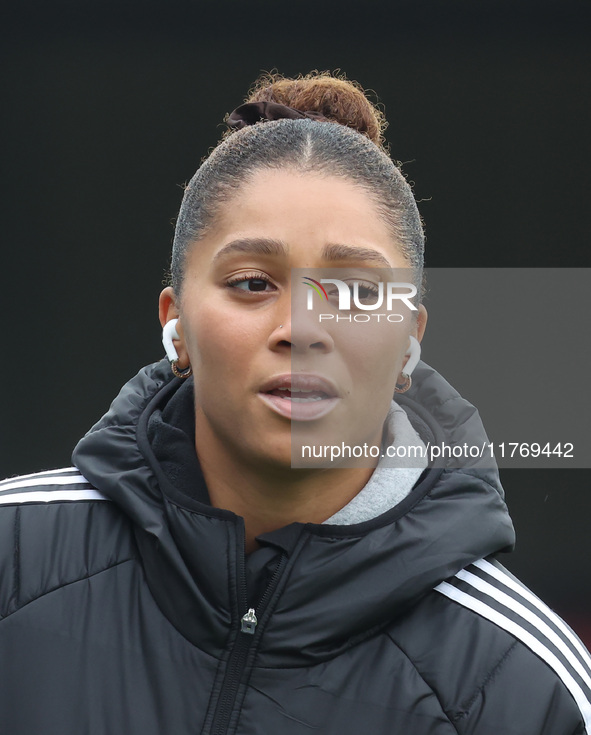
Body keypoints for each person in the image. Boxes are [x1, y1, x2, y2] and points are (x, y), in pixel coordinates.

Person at [0, 70, 589, 734]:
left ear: (408, 344)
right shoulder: (12, 561)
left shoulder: (521, 685)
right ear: (177, 325)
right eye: (252, 282)